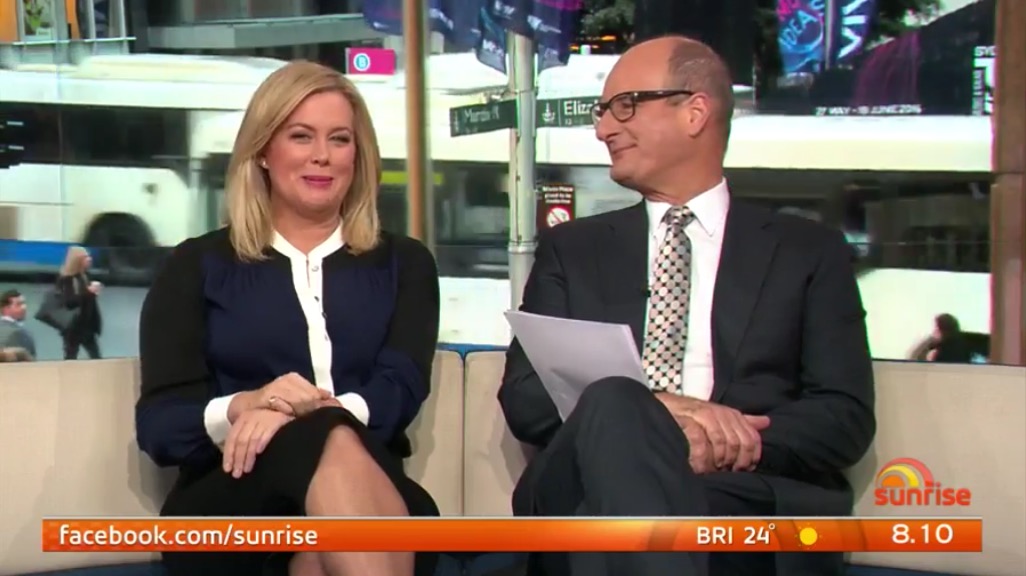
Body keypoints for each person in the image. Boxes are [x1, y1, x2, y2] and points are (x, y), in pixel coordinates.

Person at [499, 36, 876, 576]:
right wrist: (656, 413)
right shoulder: (573, 250)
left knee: (619, 521)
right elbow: (525, 398)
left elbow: (843, 417)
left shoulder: (806, 251)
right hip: (582, 478)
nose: (603, 129)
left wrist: (720, 441)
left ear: (695, 112)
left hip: (738, 494)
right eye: (602, 112)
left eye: (624, 106)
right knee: (615, 399)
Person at [135, 60, 441, 576]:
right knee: (325, 448)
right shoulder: (196, 265)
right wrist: (247, 407)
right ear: (262, 152)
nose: (323, 155)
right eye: (301, 136)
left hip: (373, 490)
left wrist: (299, 415)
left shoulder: (404, 264)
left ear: (358, 155)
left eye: (339, 139)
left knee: (326, 524)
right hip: (232, 500)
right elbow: (160, 426)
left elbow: (400, 388)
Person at [56, 246, 103, 359]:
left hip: (87, 326)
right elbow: (69, 302)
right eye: (85, 257)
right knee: (71, 356)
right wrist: (89, 292)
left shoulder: (85, 276)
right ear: (77, 260)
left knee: (96, 356)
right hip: (73, 326)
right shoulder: (66, 280)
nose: (89, 259)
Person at [0, 289, 36, 360]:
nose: (24, 307)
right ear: (6, 309)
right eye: (19, 304)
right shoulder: (18, 333)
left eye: (24, 303)